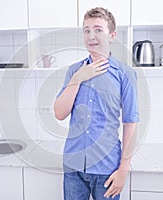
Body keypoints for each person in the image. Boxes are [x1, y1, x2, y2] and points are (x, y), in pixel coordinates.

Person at [53, 7, 139, 200]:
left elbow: (130, 123)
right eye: (86, 30)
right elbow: (59, 113)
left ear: (112, 35)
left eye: (98, 29)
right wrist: (77, 79)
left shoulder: (125, 74)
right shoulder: (74, 71)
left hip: (107, 168)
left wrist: (124, 169)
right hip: (73, 166)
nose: (91, 35)